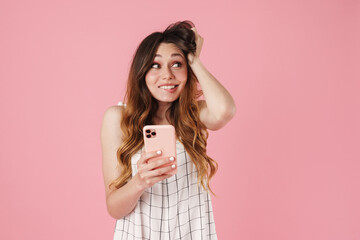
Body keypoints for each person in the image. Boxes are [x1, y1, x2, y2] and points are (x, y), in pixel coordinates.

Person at [101, 20, 236, 240]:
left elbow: (225, 111)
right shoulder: (117, 118)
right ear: (142, 73)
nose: (167, 75)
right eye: (155, 65)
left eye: (176, 64)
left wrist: (192, 57)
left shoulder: (194, 115)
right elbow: (114, 208)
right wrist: (140, 181)